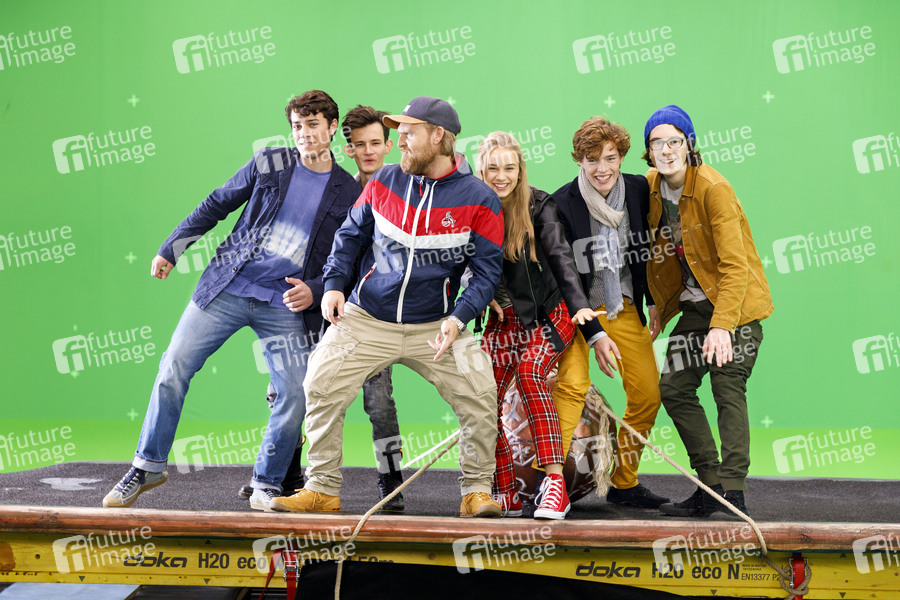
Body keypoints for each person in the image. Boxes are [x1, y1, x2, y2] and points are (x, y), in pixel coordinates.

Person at [102, 90, 360, 512]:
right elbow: (218, 202)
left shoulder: (347, 190)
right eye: (297, 126)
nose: (304, 134)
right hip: (229, 284)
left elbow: (347, 257)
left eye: (313, 125)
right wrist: (172, 248)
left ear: (332, 128)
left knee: (296, 392)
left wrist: (315, 289)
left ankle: (266, 483)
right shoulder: (270, 162)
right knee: (173, 365)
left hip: (285, 303)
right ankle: (147, 466)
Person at [270, 96, 504, 518]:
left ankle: (476, 492)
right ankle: (321, 489)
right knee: (320, 382)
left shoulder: (480, 199)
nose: (401, 142)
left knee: (481, 392)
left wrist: (458, 319)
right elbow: (349, 237)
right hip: (367, 318)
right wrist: (334, 286)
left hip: (436, 324)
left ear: (438, 136)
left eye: (409, 133)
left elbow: (486, 274)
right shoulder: (384, 181)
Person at [243, 105, 407, 513]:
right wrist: (317, 291)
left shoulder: (405, 192)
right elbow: (324, 256)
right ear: (348, 149)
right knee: (289, 390)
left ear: (388, 146)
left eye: (375, 143)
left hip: (375, 316)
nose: (368, 151)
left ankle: (391, 481)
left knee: (379, 402)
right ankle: (284, 476)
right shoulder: (338, 191)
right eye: (359, 144)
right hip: (325, 312)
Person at [642, 105, 772, 519]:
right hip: (696, 309)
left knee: (726, 384)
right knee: (673, 388)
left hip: (737, 310)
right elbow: (652, 255)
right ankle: (709, 486)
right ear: (648, 152)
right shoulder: (651, 188)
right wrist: (655, 305)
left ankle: (733, 493)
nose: (666, 150)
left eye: (674, 141)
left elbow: (736, 266)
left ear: (689, 145)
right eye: (657, 143)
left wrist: (722, 326)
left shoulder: (714, 188)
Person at [476, 132, 601, 520]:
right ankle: (505, 491)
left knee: (531, 372)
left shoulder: (539, 204)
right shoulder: (473, 206)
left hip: (550, 312)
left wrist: (580, 307)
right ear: (481, 170)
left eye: (509, 168)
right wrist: (479, 292)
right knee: (483, 394)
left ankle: (556, 487)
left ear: (520, 170)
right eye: (493, 168)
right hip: (504, 319)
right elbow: (462, 261)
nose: (501, 176)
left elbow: (562, 257)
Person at [550, 117, 669, 509]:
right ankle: (551, 485)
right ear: (579, 161)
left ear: (621, 157)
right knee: (571, 388)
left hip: (624, 305)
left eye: (610, 158)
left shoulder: (638, 189)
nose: (602, 168)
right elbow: (565, 276)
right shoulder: (561, 204)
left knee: (648, 394)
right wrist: (592, 333)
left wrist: (652, 300)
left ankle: (624, 481)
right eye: (592, 160)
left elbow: (646, 250)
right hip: (580, 313)